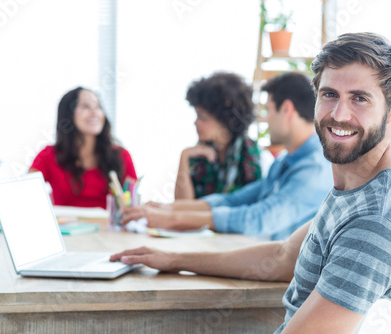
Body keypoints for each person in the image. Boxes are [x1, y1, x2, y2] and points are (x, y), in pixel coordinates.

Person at [111, 32, 391, 333]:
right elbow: (282, 257)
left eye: (360, 99)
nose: (339, 113)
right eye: (329, 94)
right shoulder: (356, 189)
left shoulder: (376, 223)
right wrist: (176, 260)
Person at [121, 72, 333, 241]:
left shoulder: (314, 168)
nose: (264, 120)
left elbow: (259, 218)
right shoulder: (286, 161)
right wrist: (165, 208)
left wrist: (172, 218)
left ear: (286, 110)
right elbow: (234, 200)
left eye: (267, 110)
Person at [30, 87, 137, 209]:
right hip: (65, 227)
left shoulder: (121, 155)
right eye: (85, 107)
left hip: (109, 227)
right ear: (68, 115)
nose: (94, 113)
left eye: (98, 107)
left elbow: (133, 203)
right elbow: (26, 192)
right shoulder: (49, 155)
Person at [175, 72, 261, 200]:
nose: (195, 122)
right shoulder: (198, 154)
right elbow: (181, 206)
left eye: (202, 117)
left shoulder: (251, 154)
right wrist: (184, 156)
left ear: (225, 120)